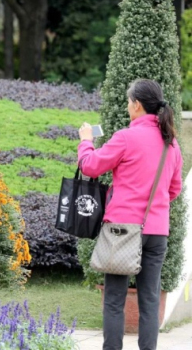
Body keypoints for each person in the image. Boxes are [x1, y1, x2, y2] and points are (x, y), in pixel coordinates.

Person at [77, 79, 183, 350]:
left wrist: (86, 142)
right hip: (156, 232)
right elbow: (174, 190)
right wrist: (154, 205)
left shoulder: (125, 137)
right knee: (149, 300)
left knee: (114, 299)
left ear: (137, 105)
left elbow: (89, 167)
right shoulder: (171, 144)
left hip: (122, 231)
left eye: (128, 102)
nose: (127, 107)